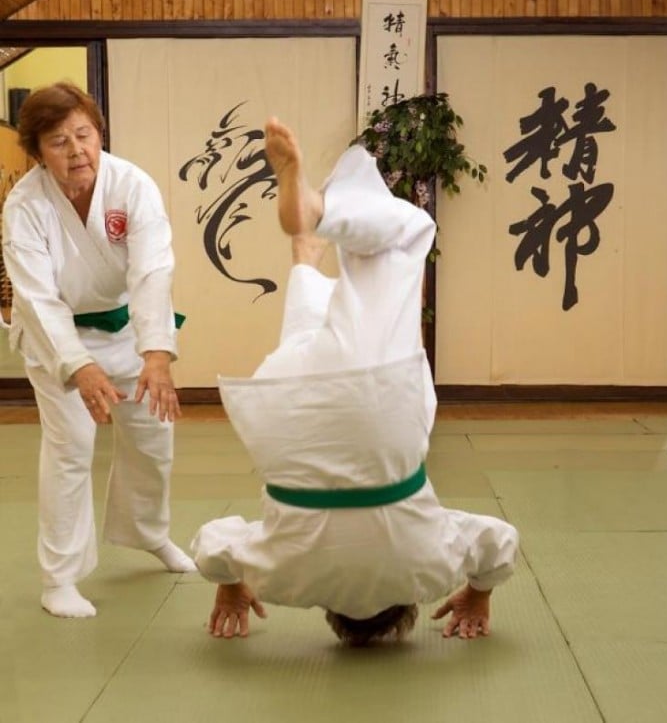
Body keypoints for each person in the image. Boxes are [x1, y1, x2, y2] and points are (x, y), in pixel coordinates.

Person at [191, 118, 519, 644]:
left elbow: (500, 543)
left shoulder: (430, 569)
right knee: (307, 353)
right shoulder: (283, 579)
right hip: (281, 412)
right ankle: (304, 250)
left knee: (403, 244)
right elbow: (212, 545)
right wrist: (231, 586)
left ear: (409, 605)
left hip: (378, 419)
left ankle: (319, 215)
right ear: (328, 612)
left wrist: (478, 592)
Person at [1, 82, 195, 619]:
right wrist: (79, 365)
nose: (76, 150)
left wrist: (157, 352)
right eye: (59, 141)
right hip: (57, 340)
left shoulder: (131, 185)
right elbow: (36, 299)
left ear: (98, 132)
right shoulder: (24, 207)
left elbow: (153, 267)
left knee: (154, 437)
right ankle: (58, 577)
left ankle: (149, 533)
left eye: (84, 135)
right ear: (38, 152)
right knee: (71, 447)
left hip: (129, 331)